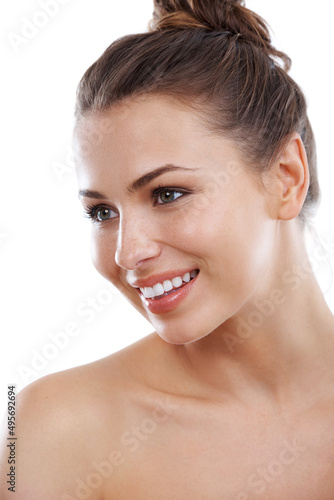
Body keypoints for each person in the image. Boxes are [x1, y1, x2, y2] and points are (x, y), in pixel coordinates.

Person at [1, 0, 334, 498]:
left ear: (286, 178)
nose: (127, 253)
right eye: (102, 213)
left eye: (168, 194)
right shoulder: (49, 430)